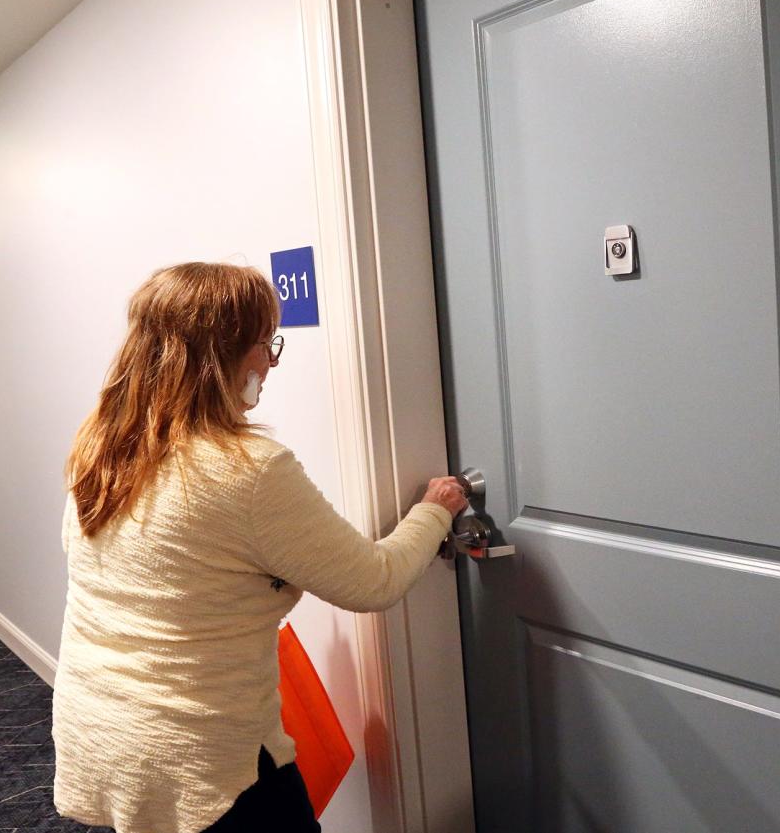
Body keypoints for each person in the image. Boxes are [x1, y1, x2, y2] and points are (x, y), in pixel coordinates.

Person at [51, 262, 468, 833]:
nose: (270, 363)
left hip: (101, 723)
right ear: (221, 355)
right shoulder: (246, 472)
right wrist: (437, 508)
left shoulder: (100, 443)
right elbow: (376, 580)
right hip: (202, 757)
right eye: (264, 344)